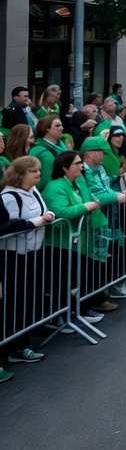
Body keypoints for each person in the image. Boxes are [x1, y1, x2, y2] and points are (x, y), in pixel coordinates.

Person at [42, 150, 116, 321]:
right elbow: (61, 211)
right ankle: (64, 317)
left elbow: (88, 198)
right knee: (63, 282)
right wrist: (85, 207)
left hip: (77, 241)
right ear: (64, 167)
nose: (81, 166)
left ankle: (80, 310)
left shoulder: (77, 182)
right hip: (60, 244)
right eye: (76, 163)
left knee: (77, 279)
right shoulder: (56, 186)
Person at [1, 156, 56, 375]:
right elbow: (9, 225)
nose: (39, 174)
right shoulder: (8, 197)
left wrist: (49, 214)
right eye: (34, 170)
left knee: (27, 299)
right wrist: (36, 222)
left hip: (34, 252)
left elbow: (43, 211)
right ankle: (13, 346)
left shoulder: (33, 191)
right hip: (13, 256)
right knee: (14, 302)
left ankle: (22, 344)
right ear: (22, 173)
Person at [80, 137, 126, 300]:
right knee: (96, 259)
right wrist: (117, 195)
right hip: (94, 221)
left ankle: (111, 287)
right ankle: (100, 295)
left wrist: (122, 193)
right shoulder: (84, 171)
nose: (104, 155)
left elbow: (106, 188)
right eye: (101, 152)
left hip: (107, 218)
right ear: (90, 153)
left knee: (111, 250)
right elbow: (95, 193)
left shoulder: (101, 168)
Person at [29, 114, 71, 188]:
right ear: (46, 129)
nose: (62, 128)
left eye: (61, 125)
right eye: (57, 126)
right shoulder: (39, 149)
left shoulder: (62, 145)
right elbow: (46, 181)